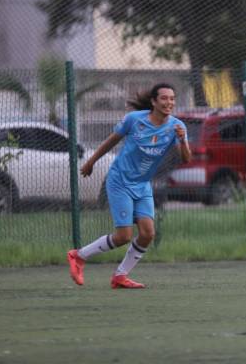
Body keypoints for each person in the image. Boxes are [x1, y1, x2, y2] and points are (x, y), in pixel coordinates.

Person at [67, 83, 190, 289]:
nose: (169, 102)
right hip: (120, 181)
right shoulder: (135, 120)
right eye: (164, 98)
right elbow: (111, 141)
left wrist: (183, 140)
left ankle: (120, 276)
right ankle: (78, 256)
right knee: (123, 236)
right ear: (153, 101)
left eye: (172, 98)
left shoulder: (177, 127)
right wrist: (91, 161)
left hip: (142, 185)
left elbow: (186, 159)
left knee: (148, 233)